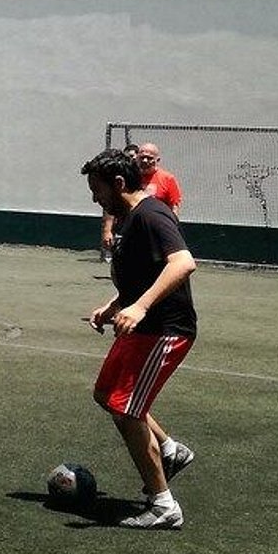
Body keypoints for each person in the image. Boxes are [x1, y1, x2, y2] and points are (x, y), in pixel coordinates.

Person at [84, 147, 199, 529]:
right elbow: (142, 275)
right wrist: (115, 305)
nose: (95, 199)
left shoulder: (152, 214)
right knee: (106, 394)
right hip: (139, 326)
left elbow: (183, 263)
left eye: (97, 190)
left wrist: (141, 307)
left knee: (127, 409)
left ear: (118, 183)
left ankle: (163, 505)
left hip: (165, 330)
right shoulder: (128, 220)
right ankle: (169, 449)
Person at [101, 142, 183, 259]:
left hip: (155, 232)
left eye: (149, 158)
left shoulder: (167, 179)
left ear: (157, 160)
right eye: (142, 157)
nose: (145, 161)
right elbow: (113, 203)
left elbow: (174, 207)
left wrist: (171, 231)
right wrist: (107, 230)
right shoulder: (128, 177)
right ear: (137, 158)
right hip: (129, 230)